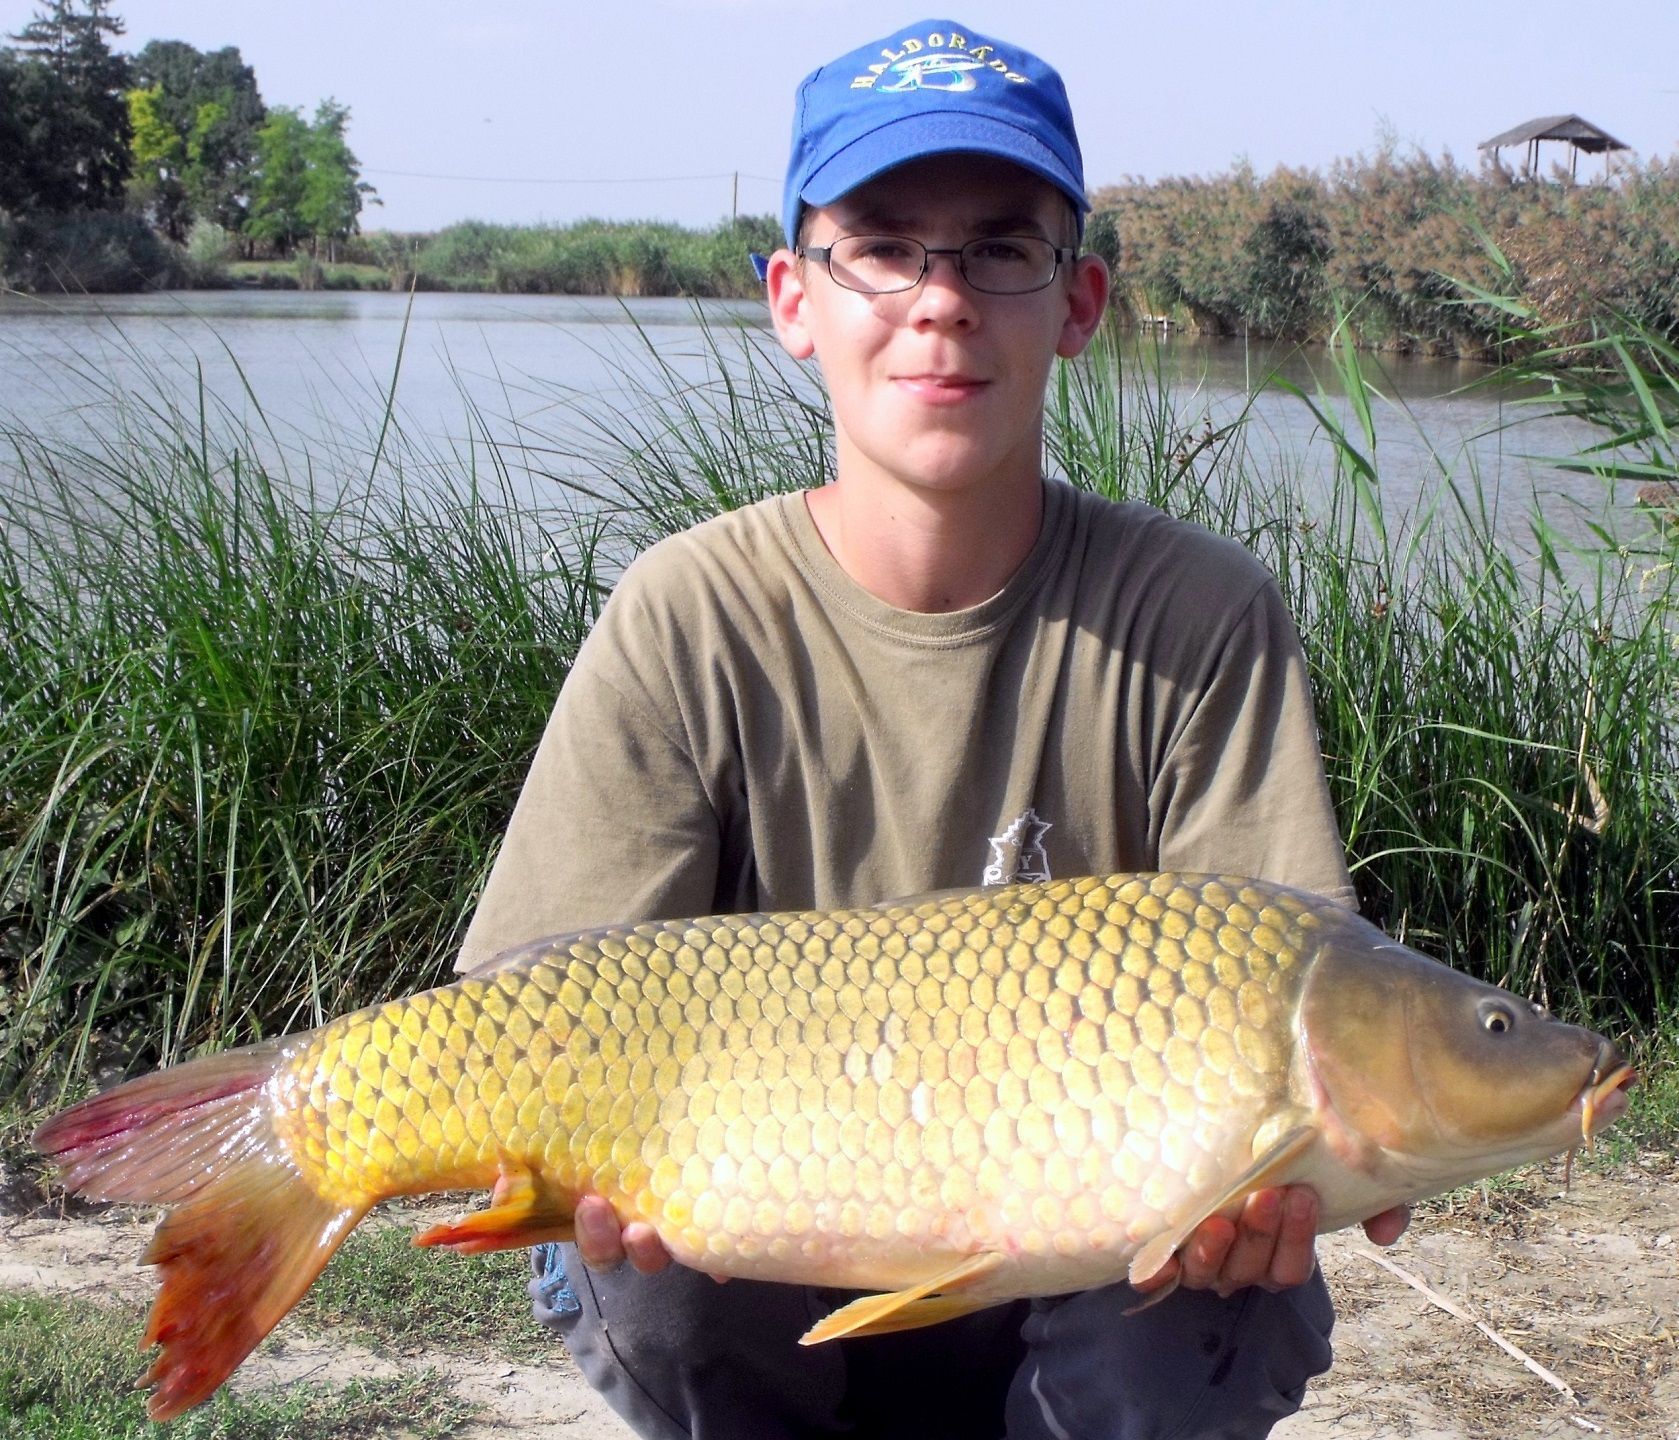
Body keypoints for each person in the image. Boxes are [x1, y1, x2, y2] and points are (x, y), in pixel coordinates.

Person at [458, 17, 1407, 1439]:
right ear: (794, 298)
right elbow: (523, 1008)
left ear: (1078, 301)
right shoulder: (685, 613)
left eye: (997, 251)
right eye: (884, 247)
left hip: (1085, 1274)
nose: (940, 300)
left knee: (1231, 1282)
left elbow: (1288, 996)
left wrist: (1277, 1194)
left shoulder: (1202, 613)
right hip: (769, 1262)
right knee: (634, 1263)